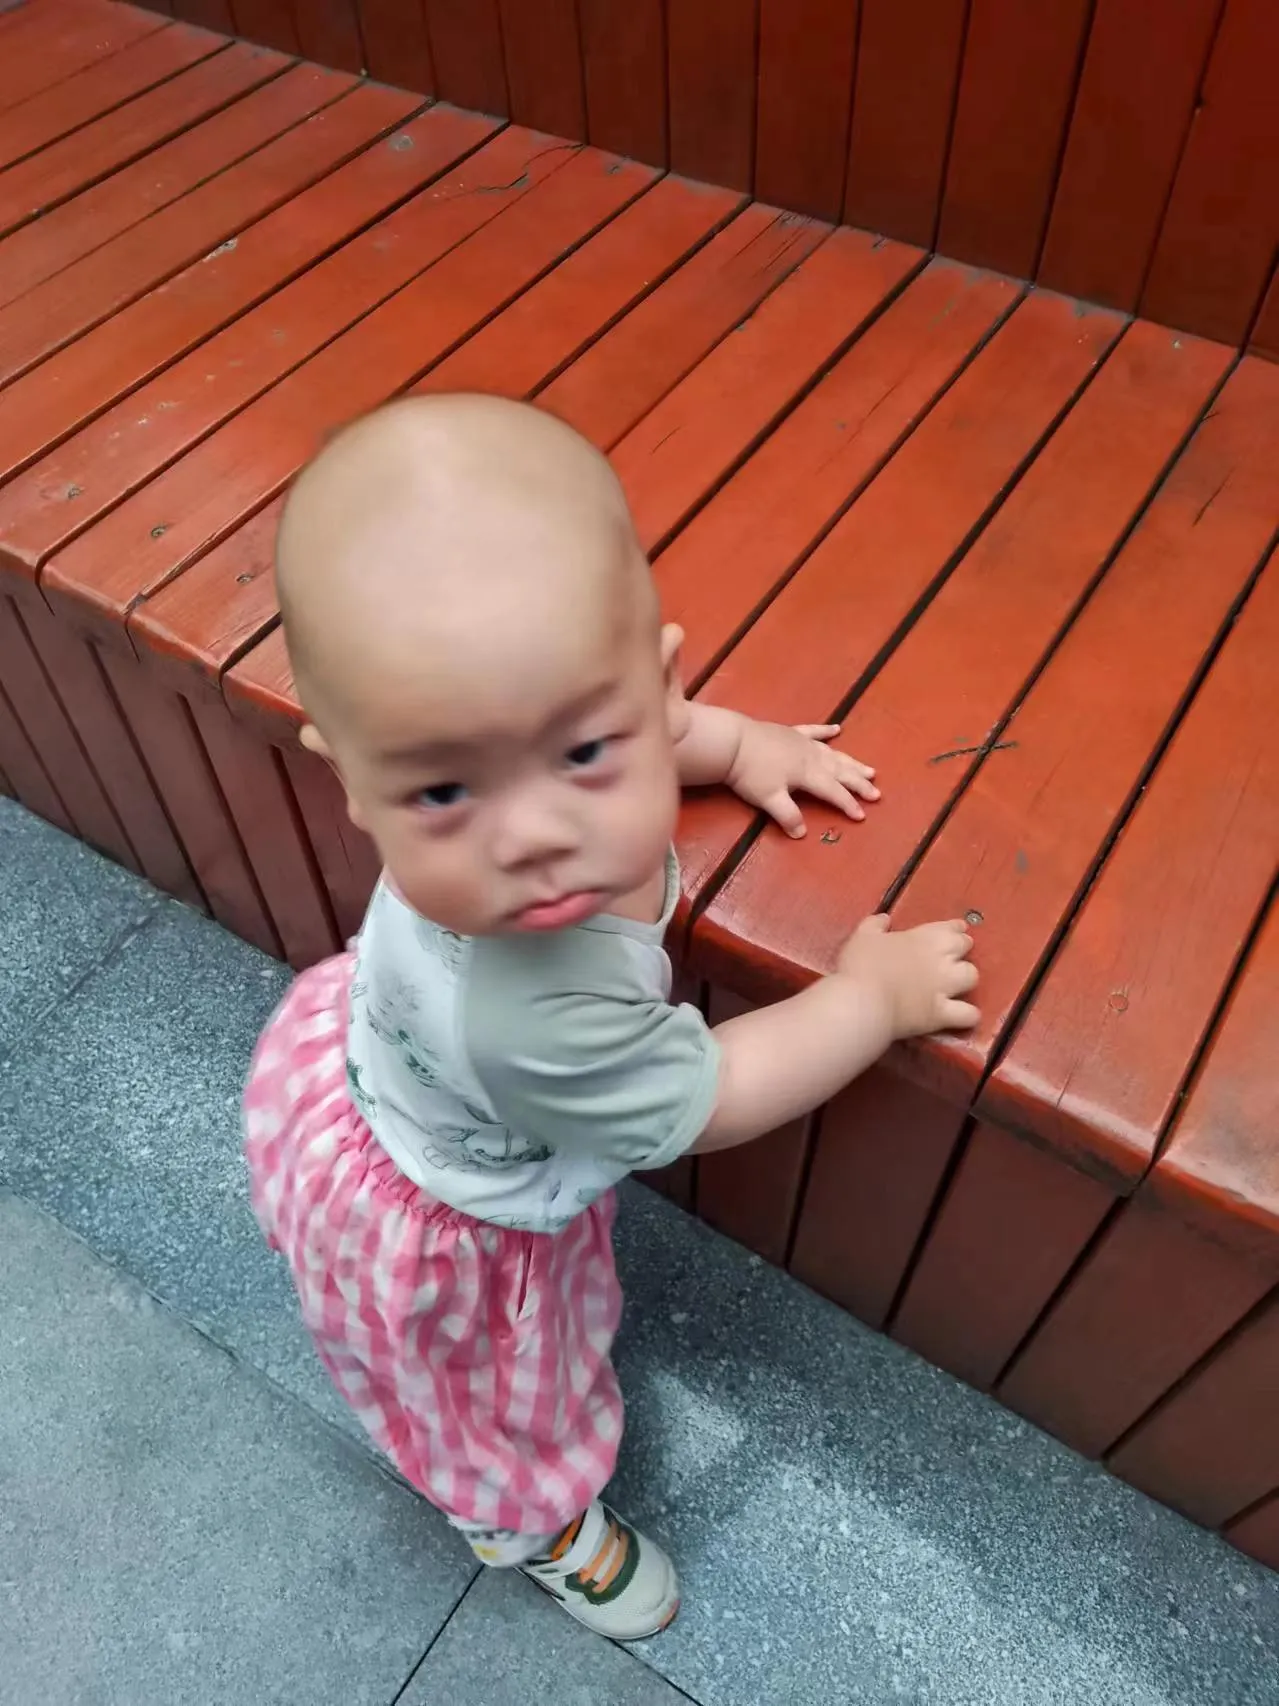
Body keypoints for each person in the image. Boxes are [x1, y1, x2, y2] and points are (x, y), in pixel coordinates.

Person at [243, 394, 979, 1642]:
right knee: (494, 1392)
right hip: (456, 1218)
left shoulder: (539, 739)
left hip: (380, 1069)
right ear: (348, 779)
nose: (535, 835)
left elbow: (640, 727)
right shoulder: (531, 1009)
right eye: (443, 789)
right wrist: (868, 1000)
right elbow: (714, 1094)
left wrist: (736, 747)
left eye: (585, 751)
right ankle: (530, 1524)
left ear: (657, 685)